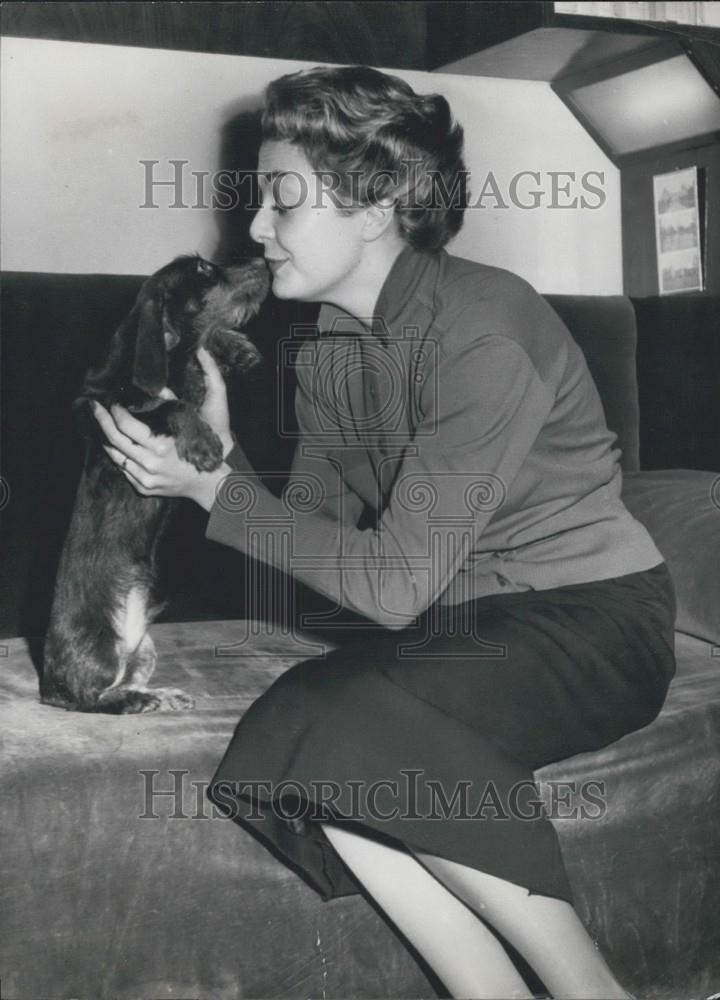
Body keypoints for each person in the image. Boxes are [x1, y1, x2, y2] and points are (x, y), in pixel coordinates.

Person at [93, 65, 676, 999]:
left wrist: (213, 494)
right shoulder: (329, 338)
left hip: (591, 624)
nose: (254, 229)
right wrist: (225, 462)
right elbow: (317, 538)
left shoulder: (488, 331)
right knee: (301, 720)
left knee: (346, 715)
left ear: (374, 209)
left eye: (282, 201)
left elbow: (393, 585)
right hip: (462, 626)